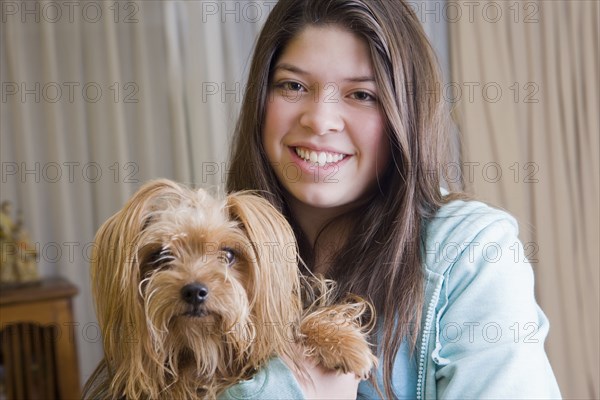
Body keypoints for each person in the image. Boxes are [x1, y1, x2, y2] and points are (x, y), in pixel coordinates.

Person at [222, 0, 561, 398]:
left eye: (362, 94)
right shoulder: (204, 259)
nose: (320, 119)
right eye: (294, 86)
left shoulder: (471, 251)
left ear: (406, 113)